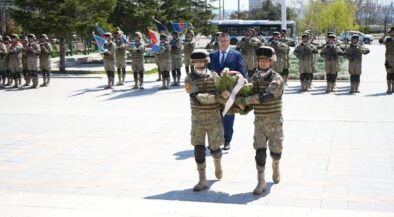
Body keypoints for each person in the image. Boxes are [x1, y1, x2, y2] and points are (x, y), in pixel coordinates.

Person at [241, 46, 284, 195]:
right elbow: (251, 91)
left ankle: (276, 165)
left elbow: (266, 97)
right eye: (261, 60)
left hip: (274, 121)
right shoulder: (255, 77)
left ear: (271, 62)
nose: (263, 63)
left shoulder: (277, 79)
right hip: (259, 121)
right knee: (259, 151)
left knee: (276, 151)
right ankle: (261, 181)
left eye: (266, 60)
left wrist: (246, 100)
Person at [184, 49, 223, 191]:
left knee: (215, 148)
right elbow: (196, 97)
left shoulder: (214, 75)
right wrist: (219, 98)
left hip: (214, 118)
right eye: (196, 61)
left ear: (206, 61)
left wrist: (225, 94)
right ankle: (202, 179)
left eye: (201, 61)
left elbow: (222, 89)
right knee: (198, 147)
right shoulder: (190, 78)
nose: (199, 64)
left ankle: (218, 163)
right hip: (198, 119)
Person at [208, 32, 245, 150]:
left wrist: (235, 81)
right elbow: (207, 71)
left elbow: (242, 72)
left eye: (225, 41)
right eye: (221, 41)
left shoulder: (236, 55)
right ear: (218, 42)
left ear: (229, 42)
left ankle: (227, 140)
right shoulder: (212, 55)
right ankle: (215, 140)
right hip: (214, 91)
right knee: (214, 117)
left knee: (228, 118)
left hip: (229, 93)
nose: (223, 43)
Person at [381, 27, 394, 94]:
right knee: (389, 74)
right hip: (388, 60)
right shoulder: (387, 40)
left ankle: (393, 89)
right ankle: (388, 88)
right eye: (391, 32)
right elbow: (380, 41)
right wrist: (385, 34)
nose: (393, 33)